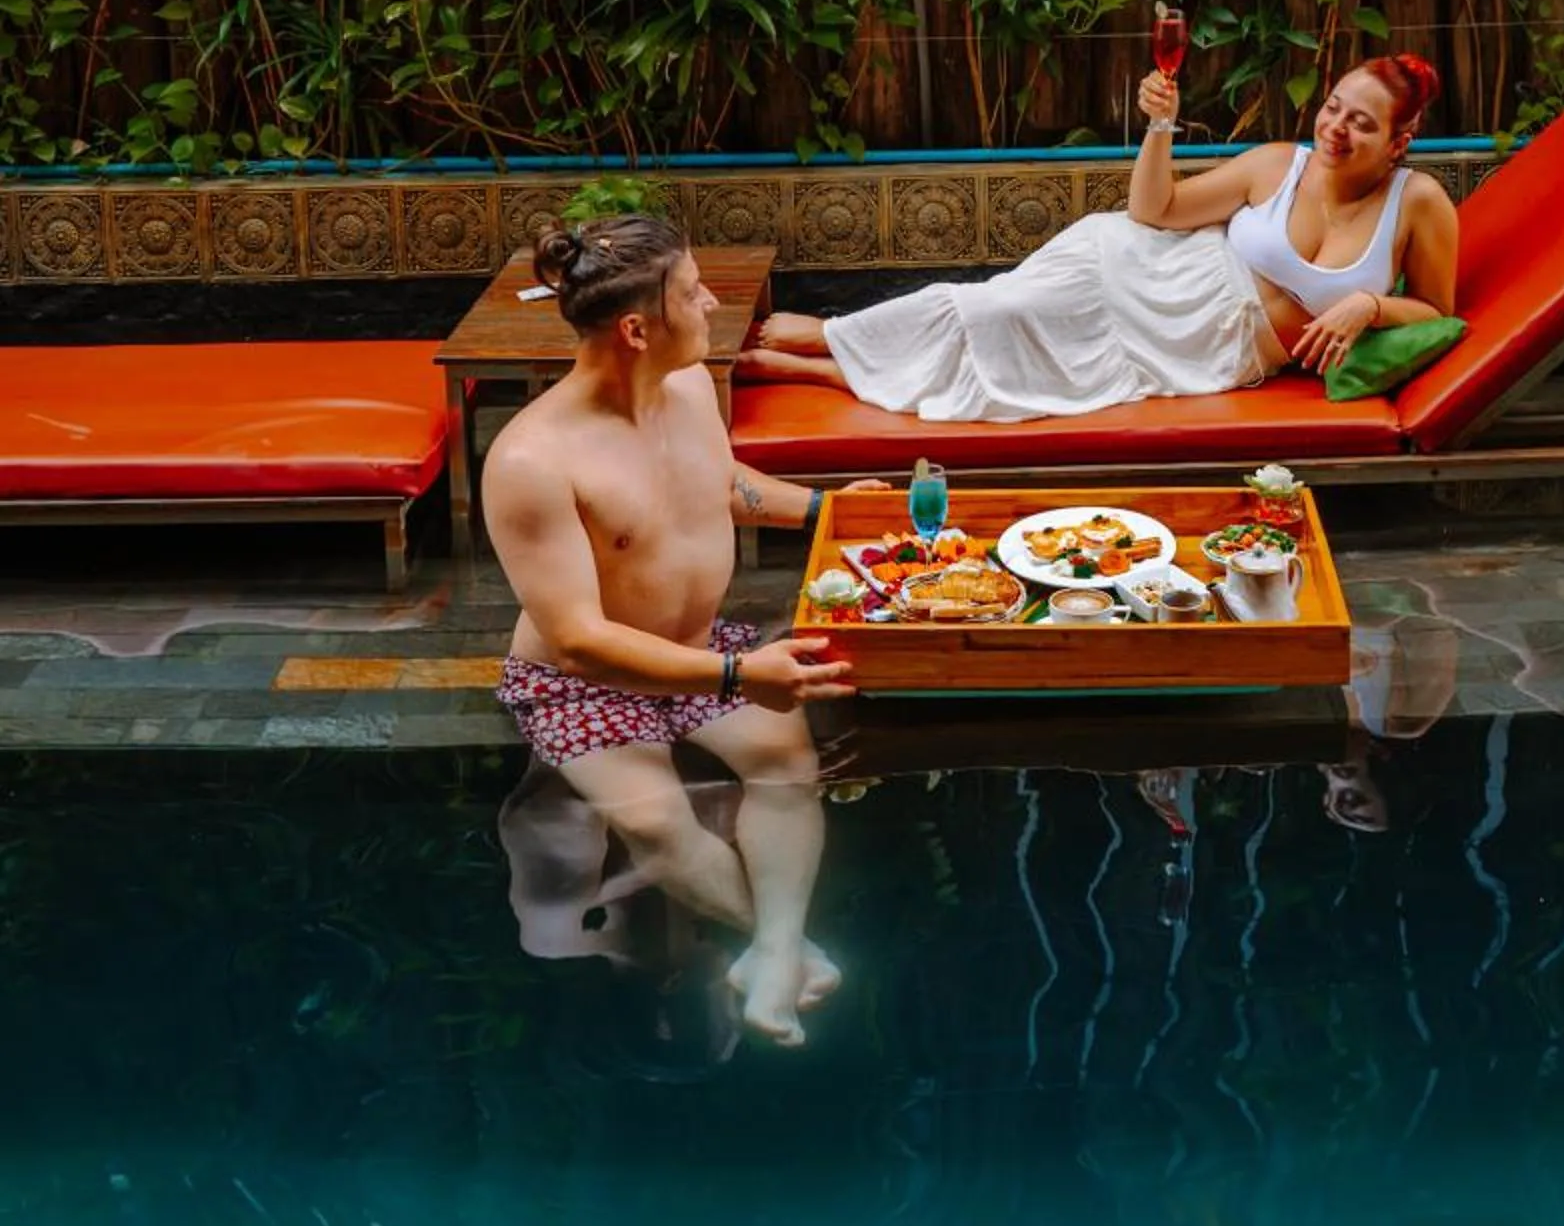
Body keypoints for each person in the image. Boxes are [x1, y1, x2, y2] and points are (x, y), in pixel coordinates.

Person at [484, 213, 866, 1048]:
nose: (713, 305)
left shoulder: (689, 384)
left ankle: (770, 952)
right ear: (635, 327)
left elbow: (719, 478)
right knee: (657, 824)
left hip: (699, 647)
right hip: (582, 678)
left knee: (785, 764)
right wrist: (740, 681)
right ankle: (788, 951)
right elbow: (579, 638)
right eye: (693, 293)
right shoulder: (531, 461)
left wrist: (833, 511)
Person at [739, 50, 1459, 424]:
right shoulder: (1277, 164)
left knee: (1018, 382)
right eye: (1333, 108)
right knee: (996, 309)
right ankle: (835, 336)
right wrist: (1160, 126)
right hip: (1145, 269)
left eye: (1362, 123)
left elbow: (1439, 313)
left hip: (1201, 347)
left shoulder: (1419, 205)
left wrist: (1371, 306)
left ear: (1400, 140)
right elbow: (1156, 211)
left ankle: (822, 367)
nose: (1336, 128)